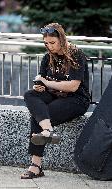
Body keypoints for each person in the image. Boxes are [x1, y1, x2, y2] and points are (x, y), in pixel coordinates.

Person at [20, 23, 90, 179]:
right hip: (54, 95)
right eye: (46, 43)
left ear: (61, 40)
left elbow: (73, 86)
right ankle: (47, 130)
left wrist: (46, 83)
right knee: (30, 95)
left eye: (52, 43)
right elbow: (43, 81)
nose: (49, 46)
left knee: (38, 116)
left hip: (76, 99)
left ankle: (36, 165)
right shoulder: (47, 58)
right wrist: (39, 86)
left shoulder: (76, 55)